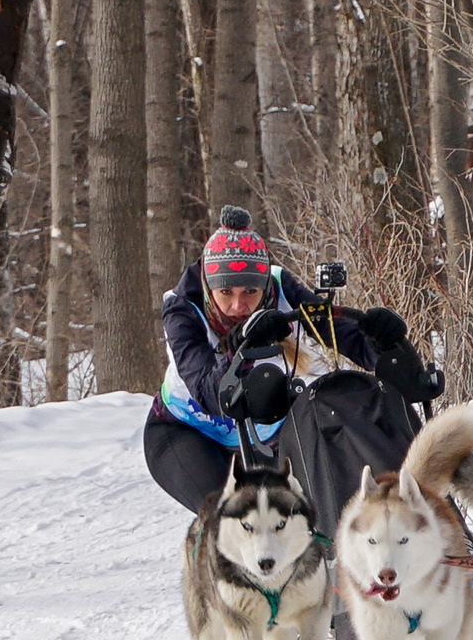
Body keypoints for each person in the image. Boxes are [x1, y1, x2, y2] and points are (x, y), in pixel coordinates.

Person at [143, 204, 408, 513]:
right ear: (208, 285)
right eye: (225, 292)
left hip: (266, 433)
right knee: (233, 518)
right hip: (188, 432)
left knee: (309, 508)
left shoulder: (282, 287)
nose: (238, 305)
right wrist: (244, 344)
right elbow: (210, 394)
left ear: (266, 286)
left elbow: (343, 336)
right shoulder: (183, 308)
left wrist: (381, 341)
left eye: (250, 292)